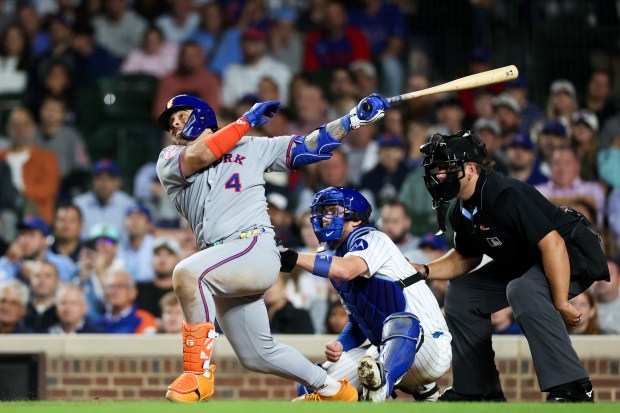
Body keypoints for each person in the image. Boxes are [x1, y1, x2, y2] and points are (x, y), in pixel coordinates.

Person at [155, 91, 389, 402]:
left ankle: (197, 375)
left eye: (181, 117)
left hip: (253, 246)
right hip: (222, 260)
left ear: (202, 116)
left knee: (187, 273)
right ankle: (334, 390)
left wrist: (353, 119)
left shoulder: (252, 146)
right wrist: (246, 120)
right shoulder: (169, 159)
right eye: (171, 123)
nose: (175, 125)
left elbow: (311, 147)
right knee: (257, 354)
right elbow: (202, 155)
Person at [414, 129, 609, 402]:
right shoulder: (460, 209)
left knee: (522, 289)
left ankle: (574, 386)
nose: (439, 177)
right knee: (462, 293)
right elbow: (465, 257)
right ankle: (478, 391)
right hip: (527, 260)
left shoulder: (505, 194)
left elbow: (553, 245)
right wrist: (423, 270)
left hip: (572, 253)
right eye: (436, 171)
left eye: (446, 169)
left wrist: (562, 303)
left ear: (470, 169)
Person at [279, 187, 451, 402]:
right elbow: (359, 320)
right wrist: (342, 344)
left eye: (332, 210)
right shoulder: (334, 257)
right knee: (314, 385)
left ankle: (389, 389)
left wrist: (294, 258)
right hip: (386, 355)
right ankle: (420, 391)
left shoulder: (373, 237)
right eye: (322, 211)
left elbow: (347, 269)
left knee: (402, 322)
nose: (324, 218)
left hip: (431, 347)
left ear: (356, 218)